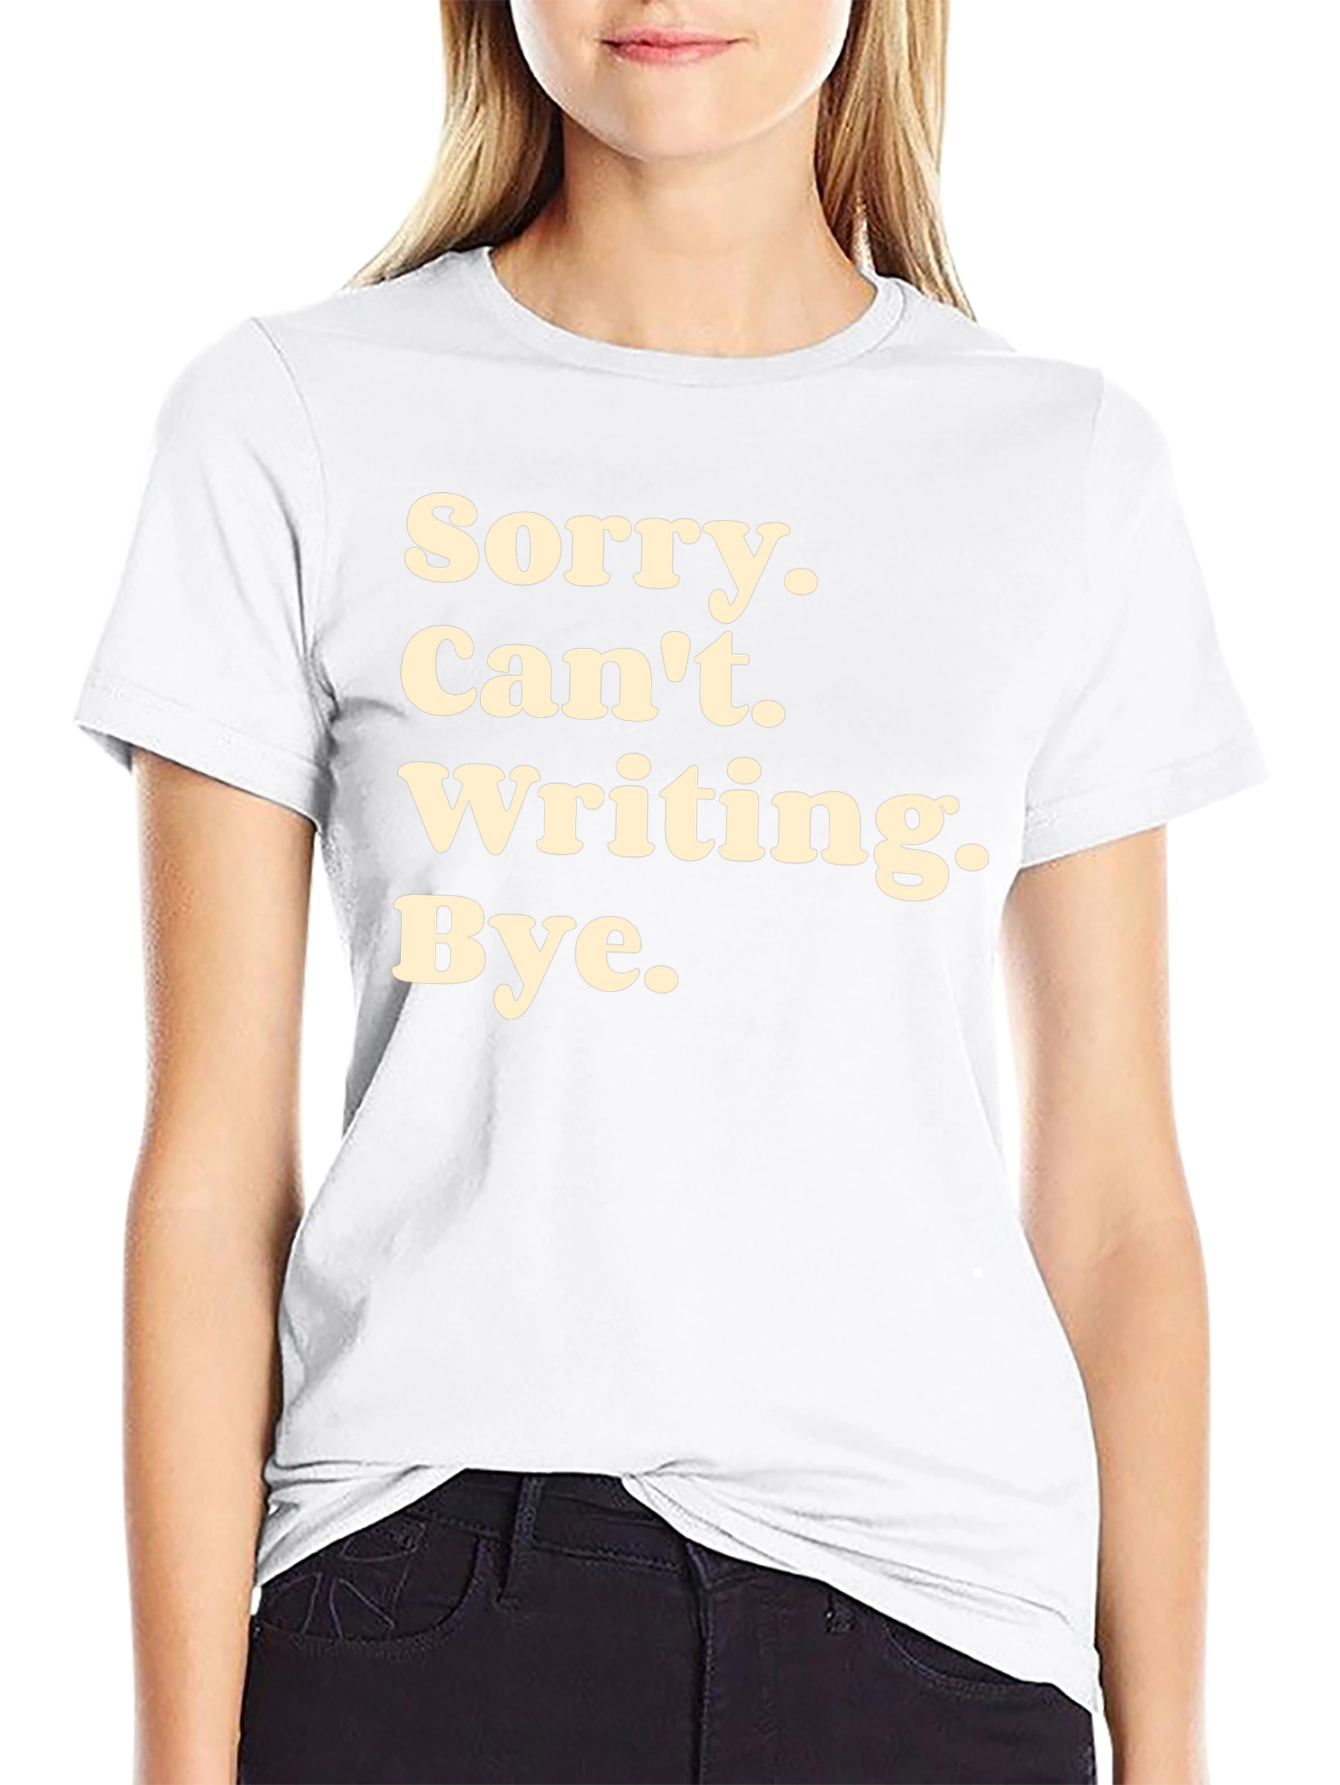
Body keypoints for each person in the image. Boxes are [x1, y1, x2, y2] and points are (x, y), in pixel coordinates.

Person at [73, 3, 1269, 1781]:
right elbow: (208, 1182)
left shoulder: (1064, 466)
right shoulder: (291, 423)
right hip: (421, 1602)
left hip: (939, 1633)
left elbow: (1114, 1203)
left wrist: (1169, 1758)